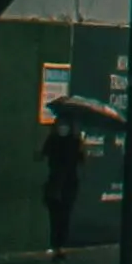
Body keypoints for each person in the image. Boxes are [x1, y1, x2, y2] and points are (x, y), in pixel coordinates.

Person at [41, 103, 91, 253]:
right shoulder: (52, 140)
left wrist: (82, 147)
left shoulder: (75, 142)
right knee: (54, 216)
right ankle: (55, 243)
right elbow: (44, 155)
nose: (63, 128)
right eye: (61, 125)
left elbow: (81, 161)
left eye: (65, 125)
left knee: (64, 215)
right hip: (55, 183)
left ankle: (60, 244)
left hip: (68, 183)